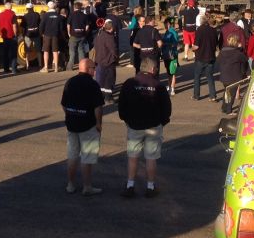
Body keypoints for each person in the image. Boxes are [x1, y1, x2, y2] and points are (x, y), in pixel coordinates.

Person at [118, 57, 172, 198]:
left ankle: (130, 185)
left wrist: (126, 120)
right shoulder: (158, 85)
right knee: (151, 158)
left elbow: (121, 105)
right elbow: (167, 108)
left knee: (132, 157)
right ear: (152, 69)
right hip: (153, 126)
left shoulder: (129, 84)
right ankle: (150, 186)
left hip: (134, 126)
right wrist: (162, 122)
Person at [60, 58, 105, 196]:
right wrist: (98, 123)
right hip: (88, 125)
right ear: (88, 69)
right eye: (93, 67)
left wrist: (69, 115)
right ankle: (87, 187)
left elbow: (63, 103)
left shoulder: (70, 82)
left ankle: (70, 185)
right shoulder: (93, 85)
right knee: (87, 157)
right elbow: (98, 107)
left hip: (72, 125)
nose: (95, 70)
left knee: (72, 156)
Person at [192, 13, 221, 101]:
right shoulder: (213, 30)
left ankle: (196, 96)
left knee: (197, 76)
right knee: (210, 77)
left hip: (201, 57)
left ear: (201, 21)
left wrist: (192, 48)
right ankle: (213, 96)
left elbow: (196, 46)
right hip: (211, 57)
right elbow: (216, 44)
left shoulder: (199, 30)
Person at [217, 33, 249, 114]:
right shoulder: (238, 54)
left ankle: (224, 107)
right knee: (231, 94)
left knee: (227, 92)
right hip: (234, 77)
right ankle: (228, 110)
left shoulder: (223, 51)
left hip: (224, 76)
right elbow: (245, 62)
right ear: (236, 42)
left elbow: (218, 61)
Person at [92, 19, 119, 104]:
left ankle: (102, 96)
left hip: (99, 60)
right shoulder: (110, 37)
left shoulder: (99, 35)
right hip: (108, 61)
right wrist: (116, 58)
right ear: (111, 29)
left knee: (101, 80)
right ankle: (108, 98)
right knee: (109, 80)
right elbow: (113, 50)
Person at [67, 1, 91, 70]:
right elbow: (87, 26)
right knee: (81, 51)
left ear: (74, 7)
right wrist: (85, 33)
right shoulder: (84, 15)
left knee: (72, 52)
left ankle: (70, 67)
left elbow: (68, 25)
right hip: (82, 35)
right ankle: (82, 67)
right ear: (81, 8)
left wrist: (69, 33)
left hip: (73, 35)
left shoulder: (71, 15)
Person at [41, 0, 64, 72]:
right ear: (54, 7)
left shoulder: (45, 15)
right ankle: (56, 67)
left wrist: (42, 33)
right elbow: (61, 28)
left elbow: (41, 26)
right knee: (55, 51)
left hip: (47, 35)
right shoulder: (59, 16)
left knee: (46, 51)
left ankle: (46, 67)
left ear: (48, 7)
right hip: (55, 35)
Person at [0, 1, 20, 74]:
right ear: (11, 7)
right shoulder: (12, 14)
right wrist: (16, 34)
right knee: (13, 53)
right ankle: (14, 69)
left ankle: (6, 69)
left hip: (4, 36)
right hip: (12, 36)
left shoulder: (0, 15)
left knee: (5, 53)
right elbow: (14, 26)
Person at [160, 16, 180, 95]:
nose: (164, 26)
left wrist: (164, 43)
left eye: (164, 24)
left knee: (172, 72)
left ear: (168, 24)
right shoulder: (167, 32)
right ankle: (169, 86)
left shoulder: (173, 32)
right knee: (169, 72)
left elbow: (175, 43)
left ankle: (172, 89)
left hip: (172, 55)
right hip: (166, 55)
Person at [21, 2, 41, 70]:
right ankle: (40, 65)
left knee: (27, 51)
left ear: (27, 9)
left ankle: (27, 66)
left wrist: (23, 34)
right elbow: (40, 24)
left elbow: (23, 27)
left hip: (28, 34)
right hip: (36, 34)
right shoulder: (37, 15)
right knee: (38, 50)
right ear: (33, 8)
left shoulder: (25, 16)